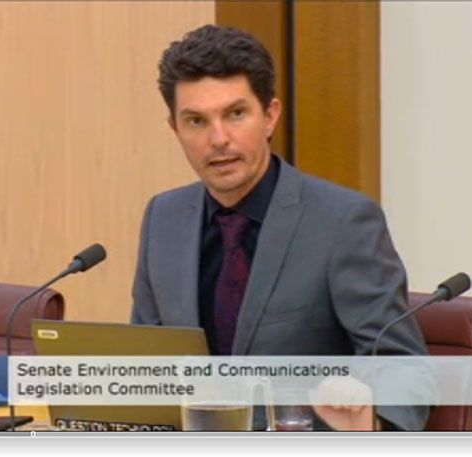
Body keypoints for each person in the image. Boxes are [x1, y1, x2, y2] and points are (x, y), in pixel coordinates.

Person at [131, 24, 429, 431]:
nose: (219, 139)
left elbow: (405, 370)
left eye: (236, 114)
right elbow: (144, 363)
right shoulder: (163, 217)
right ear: (175, 129)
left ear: (269, 116)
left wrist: (370, 423)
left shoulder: (343, 221)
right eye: (197, 121)